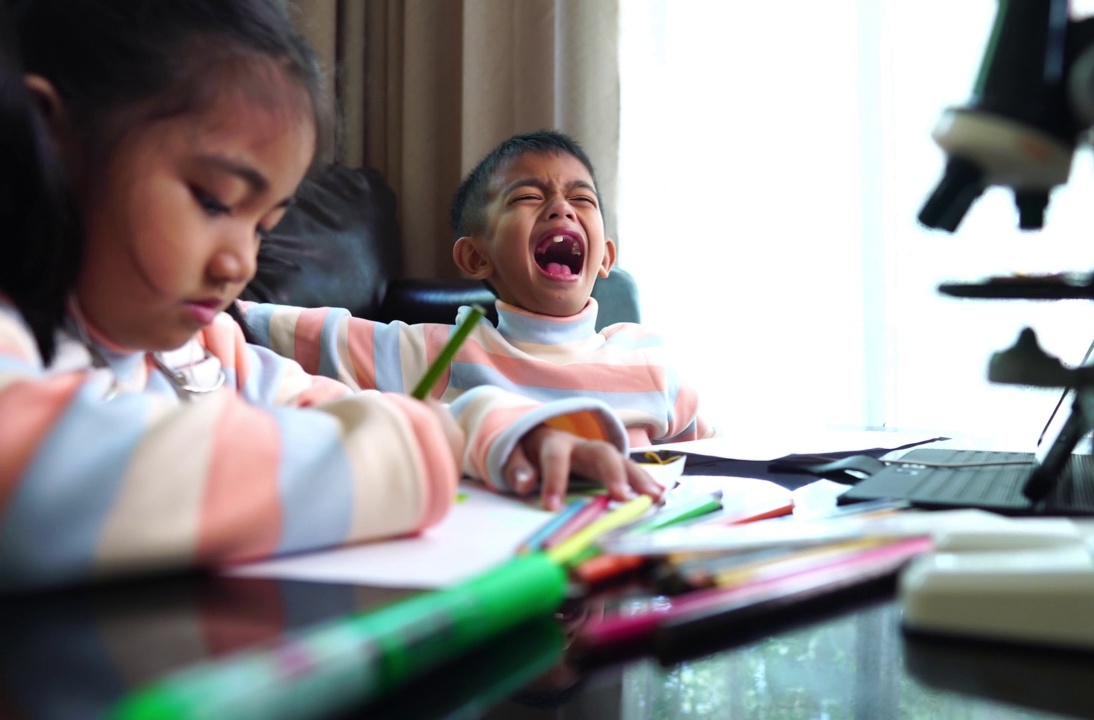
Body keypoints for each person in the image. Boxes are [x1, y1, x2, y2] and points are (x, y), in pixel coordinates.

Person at [0, 0, 659, 594]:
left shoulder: (208, 351)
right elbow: (33, 487)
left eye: (263, 227)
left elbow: (345, 409)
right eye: (213, 201)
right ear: (57, 144)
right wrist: (403, 455)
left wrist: (504, 435)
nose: (241, 262)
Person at [243, 130, 716, 452]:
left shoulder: (649, 361)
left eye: (581, 198)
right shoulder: (442, 351)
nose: (560, 209)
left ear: (607, 256)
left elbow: (717, 466)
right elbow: (299, 332)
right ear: (475, 258)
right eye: (528, 197)